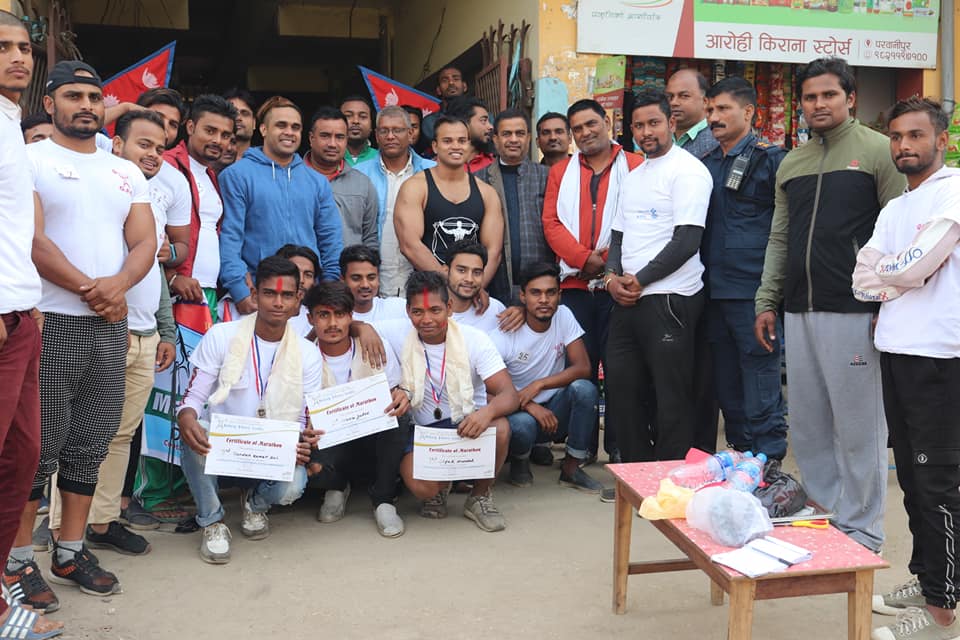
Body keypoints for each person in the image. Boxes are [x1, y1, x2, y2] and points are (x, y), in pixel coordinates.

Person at [6, 60, 157, 608]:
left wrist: (117, 287)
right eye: (74, 96)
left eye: (94, 97)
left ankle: (70, 550)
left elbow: (144, 241)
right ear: (50, 104)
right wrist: (93, 289)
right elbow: (29, 237)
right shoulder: (30, 160)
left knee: (91, 440)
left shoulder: (125, 170)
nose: (87, 105)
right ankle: (17, 559)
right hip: (50, 319)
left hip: (111, 322)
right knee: (36, 446)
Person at [754, 57, 904, 553]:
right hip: (799, 311)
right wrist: (767, 299)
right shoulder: (792, 163)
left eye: (829, 95)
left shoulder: (878, 152)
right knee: (810, 427)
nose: (818, 104)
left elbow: (899, 234)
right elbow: (780, 238)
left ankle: (864, 532)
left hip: (856, 310)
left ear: (850, 98)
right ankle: (823, 519)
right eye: (810, 97)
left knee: (860, 428)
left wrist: (888, 303)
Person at [850, 98, 960, 640]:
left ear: (942, 140)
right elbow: (861, 279)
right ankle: (927, 578)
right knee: (913, 481)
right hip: (896, 350)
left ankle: (942, 606)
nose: (903, 145)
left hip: (940, 356)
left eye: (915, 135)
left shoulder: (954, 192)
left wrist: (895, 274)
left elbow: (916, 268)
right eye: (895, 136)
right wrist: (899, 275)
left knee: (938, 481)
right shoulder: (896, 206)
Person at [49, 110, 178, 559]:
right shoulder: (98, 189)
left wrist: (165, 329)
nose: (154, 154)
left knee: (118, 436)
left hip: (144, 334)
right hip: (102, 328)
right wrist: (107, 311)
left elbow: (155, 274)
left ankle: (101, 523)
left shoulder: (150, 200)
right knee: (69, 435)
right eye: (144, 144)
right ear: (116, 144)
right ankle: (57, 529)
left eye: (160, 147)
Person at [177, 257, 323, 564]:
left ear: (298, 299)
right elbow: (193, 397)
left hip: (269, 453)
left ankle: (254, 506)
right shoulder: (222, 335)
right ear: (254, 294)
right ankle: (212, 521)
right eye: (270, 293)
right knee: (193, 431)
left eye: (287, 295)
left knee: (293, 486)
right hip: (223, 449)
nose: (278, 303)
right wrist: (186, 415)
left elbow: (302, 417)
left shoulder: (308, 353)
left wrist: (299, 442)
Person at [604, 88, 712, 462]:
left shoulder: (688, 172)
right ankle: (638, 475)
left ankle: (671, 477)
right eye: (638, 125)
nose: (646, 132)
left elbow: (687, 240)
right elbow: (618, 236)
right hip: (627, 300)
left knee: (672, 397)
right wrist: (611, 278)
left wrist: (640, 279)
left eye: (654, 123)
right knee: (622, 391)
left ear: (671, 122)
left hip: (671, 299)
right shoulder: (634, 176)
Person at [0, 11, 63, 638]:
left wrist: (27, 297)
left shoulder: (10, 123)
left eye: (24, 46)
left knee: (22, 457)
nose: (19, 56)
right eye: (2, 47)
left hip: (22, 312)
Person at [542, 99, 643, 465]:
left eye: (591, 124)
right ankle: (579, 449)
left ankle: (619, 446)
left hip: (620, 284)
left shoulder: (636, 165)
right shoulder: (561, 172)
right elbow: (552, 223)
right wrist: (585, 259)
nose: (585, 133)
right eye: (578, 129)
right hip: (575, 287)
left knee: (621, 370)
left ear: (607, 123)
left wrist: (608, 261)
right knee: (581, 369)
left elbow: (641, 220)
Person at [376, 271, 518, 532]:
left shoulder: (474, 339)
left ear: (449, 308)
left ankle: (479, 496)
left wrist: (485, 414)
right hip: (422, 432)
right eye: (417, 311)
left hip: (466, 424)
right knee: (423, 488)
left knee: (500, 428)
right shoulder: (396, 331)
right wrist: (361, 329)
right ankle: (439, 487)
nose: (426, 319)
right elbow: (351, 325)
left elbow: (509, 394)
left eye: (435, 310)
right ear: (407, 311)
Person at [701, 77, 788, 460]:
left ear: (749, 111)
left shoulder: (772, 160)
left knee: (760, 382)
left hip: (753, 294)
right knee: (727, 386)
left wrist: (774, 294)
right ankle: (742, 458)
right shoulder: (704, 165)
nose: (713, 117)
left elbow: (785, 230)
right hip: (711, 293)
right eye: (710, 110)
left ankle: (769, 462)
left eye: (723, 109)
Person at [304, 281, 411, 537]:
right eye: (323, 315)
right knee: (311, 464)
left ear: (351, 316)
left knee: (399, 415)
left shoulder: (374, 345)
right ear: (310, 319)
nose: (332, 323)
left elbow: (394, 388)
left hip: (371, 442)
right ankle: (337, 486)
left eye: (340, 314)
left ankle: (383, 499)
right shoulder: (302, 355)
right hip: (330, 444)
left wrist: (401, 395)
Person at [219, 95, 343, 315]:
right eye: (281, 125)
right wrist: (240, 290)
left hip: (306, 299)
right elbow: (230, 237)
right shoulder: (236, 175)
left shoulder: (317, 182)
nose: (289, 132)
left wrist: (327, 288)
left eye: (295, 127)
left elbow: (330, 238)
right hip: (257, 294)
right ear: (264, 129)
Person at [492, 263, 602, 492]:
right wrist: (530, 405)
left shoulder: (563, 315)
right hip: (517, 410)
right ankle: (520, 460)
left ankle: (571, 468)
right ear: (523, 296)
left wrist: (539, 384)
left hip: (554, 410)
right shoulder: (504, 332)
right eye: (536, 293)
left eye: (550, 293)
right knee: (522, 425)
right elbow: (489, 389)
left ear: (559, 295)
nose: (544, 300)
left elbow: (583, 367)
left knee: (584, 389)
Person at [394, 115, 504, 295]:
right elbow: (410, 245)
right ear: (435, 146)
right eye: (447, 141)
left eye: (462, 141)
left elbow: (494, 252)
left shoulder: (487, 193)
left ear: (469, 145)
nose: (456, 146)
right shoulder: (415, 187)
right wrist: (451, 286)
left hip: (471, 294)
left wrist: (473, 288)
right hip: (429, 294)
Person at [163, 93, 237, 321]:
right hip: (176, 291)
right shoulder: (167, 164)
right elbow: (151, 226)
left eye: (225, 135)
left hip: (206, 290)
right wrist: (171, 277)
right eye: (210, 131)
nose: (218, 140)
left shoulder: (211, 175)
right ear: (191, 127)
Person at [354, 106, 436, 297]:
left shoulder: (432, 171)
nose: (390, 136)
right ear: (376, 135)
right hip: (373, 279)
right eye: (384, 131)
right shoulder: (359, 173)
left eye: (397, 130)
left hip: (422, 277)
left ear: (410, 133)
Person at [476, 108, 553, 302]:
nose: (513, 139)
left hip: (541, 287)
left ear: (529, 138)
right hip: (493, 286)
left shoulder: (547, 176)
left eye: (520, 133)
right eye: (506, 134)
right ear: (495, 139)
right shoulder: (478, 180)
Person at [305, 107, 378, 248]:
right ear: (311, 138)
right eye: (325, 136)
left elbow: (370, 238)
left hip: (348, 262)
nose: (332, 144)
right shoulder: (291, 179)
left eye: (339, 137)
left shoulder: (363, 184)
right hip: (303, 262)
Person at [445, 240, 506, 331]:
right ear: (446, 271)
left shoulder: (495, 310)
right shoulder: (429, 311)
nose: (469, 279)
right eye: (461, 270)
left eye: (477, 272)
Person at [339, 245, 408, 324]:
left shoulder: (400, 308)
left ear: (378, 278)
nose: (365, 285)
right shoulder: (334, 319)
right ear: (342, 280)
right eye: (356, 278)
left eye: (371, 278)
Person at [665, 68, 719, 160]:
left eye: (684, 96)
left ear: (705, 101)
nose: (673, 102)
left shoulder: (717, 141)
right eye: (670, 96)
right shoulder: (659, 137)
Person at [274, 244, 321, 336]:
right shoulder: (258, 315)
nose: (301, 280)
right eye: (295, 273)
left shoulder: (318, 319)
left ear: (314, 282)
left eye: (308, 275)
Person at [420, 65, 469, 148]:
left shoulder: (481, 117)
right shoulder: (430, 122)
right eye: (445, 80)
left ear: (464, 86)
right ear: (438, 90)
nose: (451, 83)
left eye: (456, 79)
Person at [445, 96, 495, 173]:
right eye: (483, 120)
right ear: (463, 123)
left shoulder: (493, 165)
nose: (491, 126)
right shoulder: (438, 166)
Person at [341, 95, 377, 166]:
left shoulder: (382, 159)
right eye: (348, 116)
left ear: (371, 124)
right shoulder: (327, 157)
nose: (356, 121)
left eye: (363, 116)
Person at [223, 88, 256, 160]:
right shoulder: (208, 161)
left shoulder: (267, 162)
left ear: (254, 123)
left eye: (245, 113)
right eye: (232, 112)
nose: (238, 118)